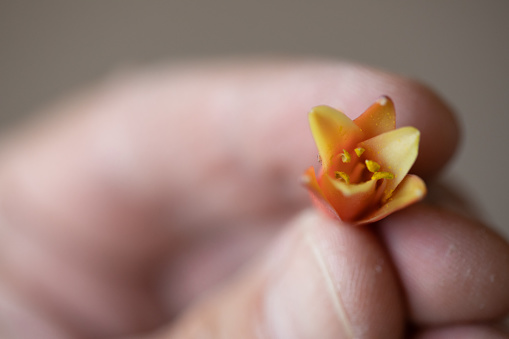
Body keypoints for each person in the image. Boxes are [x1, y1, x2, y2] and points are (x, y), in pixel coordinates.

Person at [0, 59, 507, 339]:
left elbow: (409, 176)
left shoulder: (402, 186)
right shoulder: (330, 147)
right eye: (348, 167)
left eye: (359, 174)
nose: (354, 172)